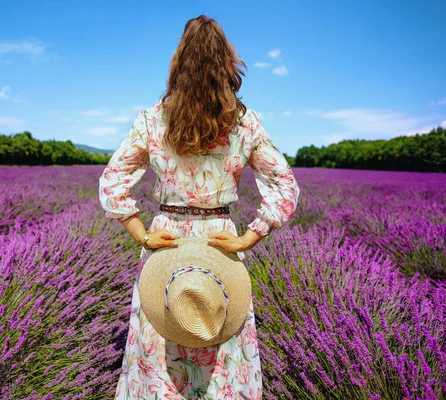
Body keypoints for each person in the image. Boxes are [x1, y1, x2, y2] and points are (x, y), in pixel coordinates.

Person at [98, 14, 300, 400]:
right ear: (226, 63)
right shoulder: (244, 123)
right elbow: (284, 186)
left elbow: (112, 180)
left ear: (179, 62)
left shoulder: (153, 119)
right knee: (218, 344)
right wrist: (249, 238)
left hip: (166, 244)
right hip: (219, 243)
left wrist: (140, 232)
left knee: (161, 350)